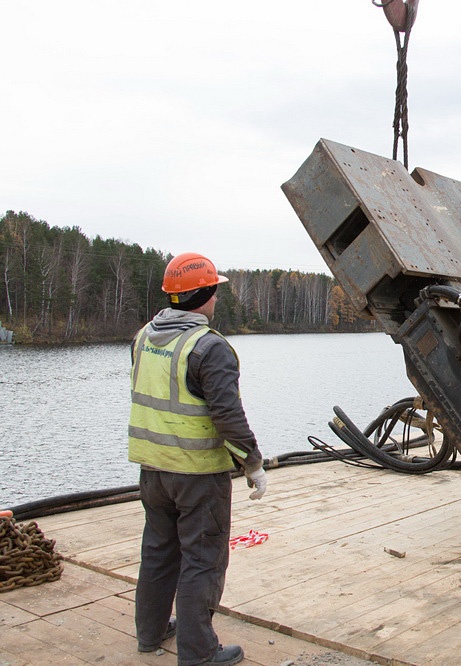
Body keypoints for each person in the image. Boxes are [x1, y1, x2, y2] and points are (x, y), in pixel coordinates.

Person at [128, 252, 267, 666]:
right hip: (197, 475)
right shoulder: (209, 347)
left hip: (153, 470)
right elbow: (227, 415)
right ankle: (199, 653)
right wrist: (253, 464)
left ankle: (150, 633)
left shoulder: (143, 338)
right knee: (203, 561)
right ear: (205, 294)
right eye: (215, 291)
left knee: (158, 551)